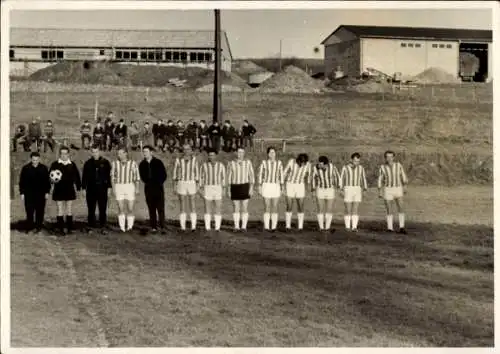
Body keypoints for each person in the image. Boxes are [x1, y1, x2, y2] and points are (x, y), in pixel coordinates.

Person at [49, 146, 82, 235]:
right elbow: (50, 177)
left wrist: (78, 188)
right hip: (59, 189)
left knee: (69, 209)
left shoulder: (72, 164)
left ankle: (69, 227)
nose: (64, 155)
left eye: (65, 153)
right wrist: (51, 182)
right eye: (62, 153)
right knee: (60, 209)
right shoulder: (55, 164)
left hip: (69, 189)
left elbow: (77, 177)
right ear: (60, 154)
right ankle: (60, 228)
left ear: (68, 154)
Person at [81, 145, 112, 233]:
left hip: (102, 188)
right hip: (91, 188)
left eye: (96, 152)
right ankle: (91, 225)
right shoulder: (88, 163)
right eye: (93, 152)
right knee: (91, 208)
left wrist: (109, 187)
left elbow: (108, 177)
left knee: (102, 208)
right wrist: (84, 188)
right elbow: (84, 177)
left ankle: (103, 225)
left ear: (99, 152)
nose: (95, 154)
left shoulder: (105, 162)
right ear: (91, 152)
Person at [19, 152, 51, 233]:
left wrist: (47, 192)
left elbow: (47, 182)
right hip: (29, 194)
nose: (35, 161)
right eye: (33, 160)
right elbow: (22, 182)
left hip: (40, 194)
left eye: (36, 160)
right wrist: (22, 193)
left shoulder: (43, 168)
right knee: (29, 210)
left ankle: (38, 227)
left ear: (39, 159)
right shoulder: (26, 168)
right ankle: (30, 226)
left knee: (40, 211)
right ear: (31, 159)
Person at [377, 150, 408, 234]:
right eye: (387, 157)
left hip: (398, 188)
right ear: (385, 158)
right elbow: (380, 179)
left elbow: (403, 175)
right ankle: (390, 228)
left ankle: (402, 227)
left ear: (393, 157)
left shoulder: (398, 165)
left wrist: (405, 186)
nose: (389, 158)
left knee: (401, 207)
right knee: (389, 209)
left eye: (391, 157)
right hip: (388, 189)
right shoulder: (382, 167)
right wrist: (380, 191)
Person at [139, 146, 167, 234]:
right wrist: (148, 182)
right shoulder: (142, 164)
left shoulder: (158, 162)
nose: (145, 153)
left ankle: (162, 226)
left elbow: (164, 175)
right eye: (143, 152)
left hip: (158, 188)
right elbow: (142, 177)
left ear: (151, 152)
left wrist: (159, 183)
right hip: (148, 189)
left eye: (146, 151)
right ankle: (154, 227)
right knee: (151, 208)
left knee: (160, 208)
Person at [111, 147, 140, 232]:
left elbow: (136, 177)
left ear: (125, 153)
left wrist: (137, 188)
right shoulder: (115, 163)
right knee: (120, 208)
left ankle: (130, 227)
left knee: (130, 208)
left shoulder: (133, 163)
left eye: (120, 153)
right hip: (119, 186)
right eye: (118, 153)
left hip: (129, 186)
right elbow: (112, 178)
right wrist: (113, 188)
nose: (119, 155)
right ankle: (122, 227)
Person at [227, 148, 255, 231]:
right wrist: (228, 189)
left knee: (244, 207)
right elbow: (228, 177)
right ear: (236, 153)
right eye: (239, 152)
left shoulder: (248, 162)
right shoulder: (231, 163)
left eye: (242, 152)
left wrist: (251, 188)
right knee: (236, 207)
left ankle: (243, 227)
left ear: (244, 153)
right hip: (234, 186)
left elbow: (251, 176)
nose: (240, 154)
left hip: (245, 186)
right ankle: (236, 226)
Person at [173, 144, 199, 231]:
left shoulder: (194, 159)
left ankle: (193, 226)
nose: (186, 151)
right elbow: (175, 173)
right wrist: (174, 185)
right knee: (182, 204)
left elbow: (197, 173)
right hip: (181, 182)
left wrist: (198, 185)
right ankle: (183, 226)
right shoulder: (178, 160)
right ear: (183, 150)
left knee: (192, 203)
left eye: (188, 149)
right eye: (184, 149)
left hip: (191, 182)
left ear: (191, 150)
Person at [339, 152, 368, 232]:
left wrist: (365, 189)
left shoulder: (361, 168)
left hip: (357, 189)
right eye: (355, 161)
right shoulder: (345, 167)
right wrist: (341, 189)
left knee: (355, 209)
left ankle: (354, 227)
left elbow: (363, 178)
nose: (357, 163)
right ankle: (347, 227)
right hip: (348, 188)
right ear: (351, 160)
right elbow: (341, 178)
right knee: (348, 209)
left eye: (358, 161)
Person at [257, 147, 284, 232]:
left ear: (275, 154)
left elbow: (281, 175)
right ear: (268, 154)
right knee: (267, 206)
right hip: (267, 185)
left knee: (275, 206)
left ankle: (273, 227)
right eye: (270, 152)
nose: (272, 154)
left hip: (276, 186)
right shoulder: (264, 163)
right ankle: (266, 226)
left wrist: (282, 186)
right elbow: (260, 174)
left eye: (273, 152)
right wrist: (259, 186)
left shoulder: (279, 163)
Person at [199, 148, 226, 231]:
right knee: (207, 208)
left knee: (218, 207)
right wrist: (201, 188)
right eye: (210, 155)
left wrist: (224, 188)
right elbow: (201, 177)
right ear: (208, 156)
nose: (211, 157)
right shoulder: (204, 165)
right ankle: (208, 227)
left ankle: (217, 227)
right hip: (208, 187)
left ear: (216, 156)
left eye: (213, 155)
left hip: (218, 187)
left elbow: (223, 178)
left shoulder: (221, 165)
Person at [311, 156, 340, 232]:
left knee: (329, 209)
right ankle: (321, 227)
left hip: (330, 189)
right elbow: (313, 178)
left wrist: (338, 187)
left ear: (326, 164)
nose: (319, 166)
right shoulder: (315, 168)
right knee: (320, 209)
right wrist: (313, 190)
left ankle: (327, 227)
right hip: (320, 189)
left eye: (321, 164)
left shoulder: (332, 167)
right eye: (319, 164)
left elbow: (337, 176)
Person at [283, 153, 311, 231]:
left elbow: (309, 175)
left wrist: (308, 185)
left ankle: (300, 226)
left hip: (300, 185)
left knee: (301, 206)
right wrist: (282, 184)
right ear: (298, 160)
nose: (302, 164)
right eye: (301, 162)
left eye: (304, 163)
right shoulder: (291, 162)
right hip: (290, 184)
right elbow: (284, 172)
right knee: (289, 205)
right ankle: (288, 226)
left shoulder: (308, 164)